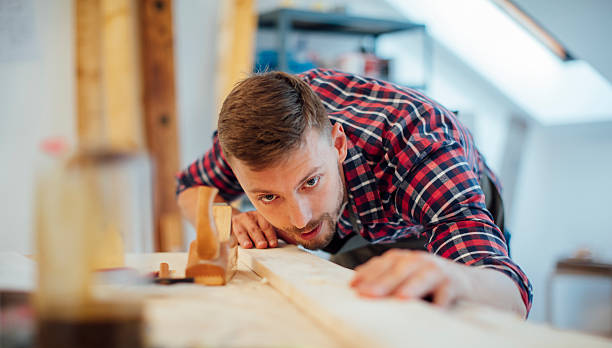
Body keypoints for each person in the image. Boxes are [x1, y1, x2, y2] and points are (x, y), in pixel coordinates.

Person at [176, 69, 532, 317]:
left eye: (310, 182)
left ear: (338, 144)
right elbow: (189, 189)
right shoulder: (244, 144)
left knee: (454, 312)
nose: (299, 219)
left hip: (439, 202)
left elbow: (510, 293)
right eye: (268, 197)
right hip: (354, 220)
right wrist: (233, 221)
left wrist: (460, 277)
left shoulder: (419, 148)